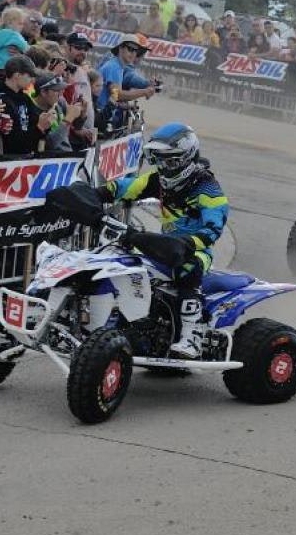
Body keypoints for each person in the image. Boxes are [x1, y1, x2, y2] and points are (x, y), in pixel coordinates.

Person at [97, 123, 228, 359]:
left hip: (195, 250)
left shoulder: (207, 187)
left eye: (170, 161)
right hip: (162, 246)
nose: (164, 167)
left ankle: (192, 336)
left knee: (187, 269)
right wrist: (95, 194)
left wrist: (187, 244)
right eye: (158, 160)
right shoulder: (157, 180)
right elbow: (124, 188)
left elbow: (213, 229)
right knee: (118, 257)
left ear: (186, 158)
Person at [97, 33, 157, 134]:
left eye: (136, 51)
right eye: (130, 49)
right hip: (102, 116)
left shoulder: (118, 66)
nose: (133, 54)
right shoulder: (114, 67)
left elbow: (114, 95)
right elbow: (118, 94)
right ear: (121, 48)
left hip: (105, 114)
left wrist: (123, 105)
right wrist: (144, 91)